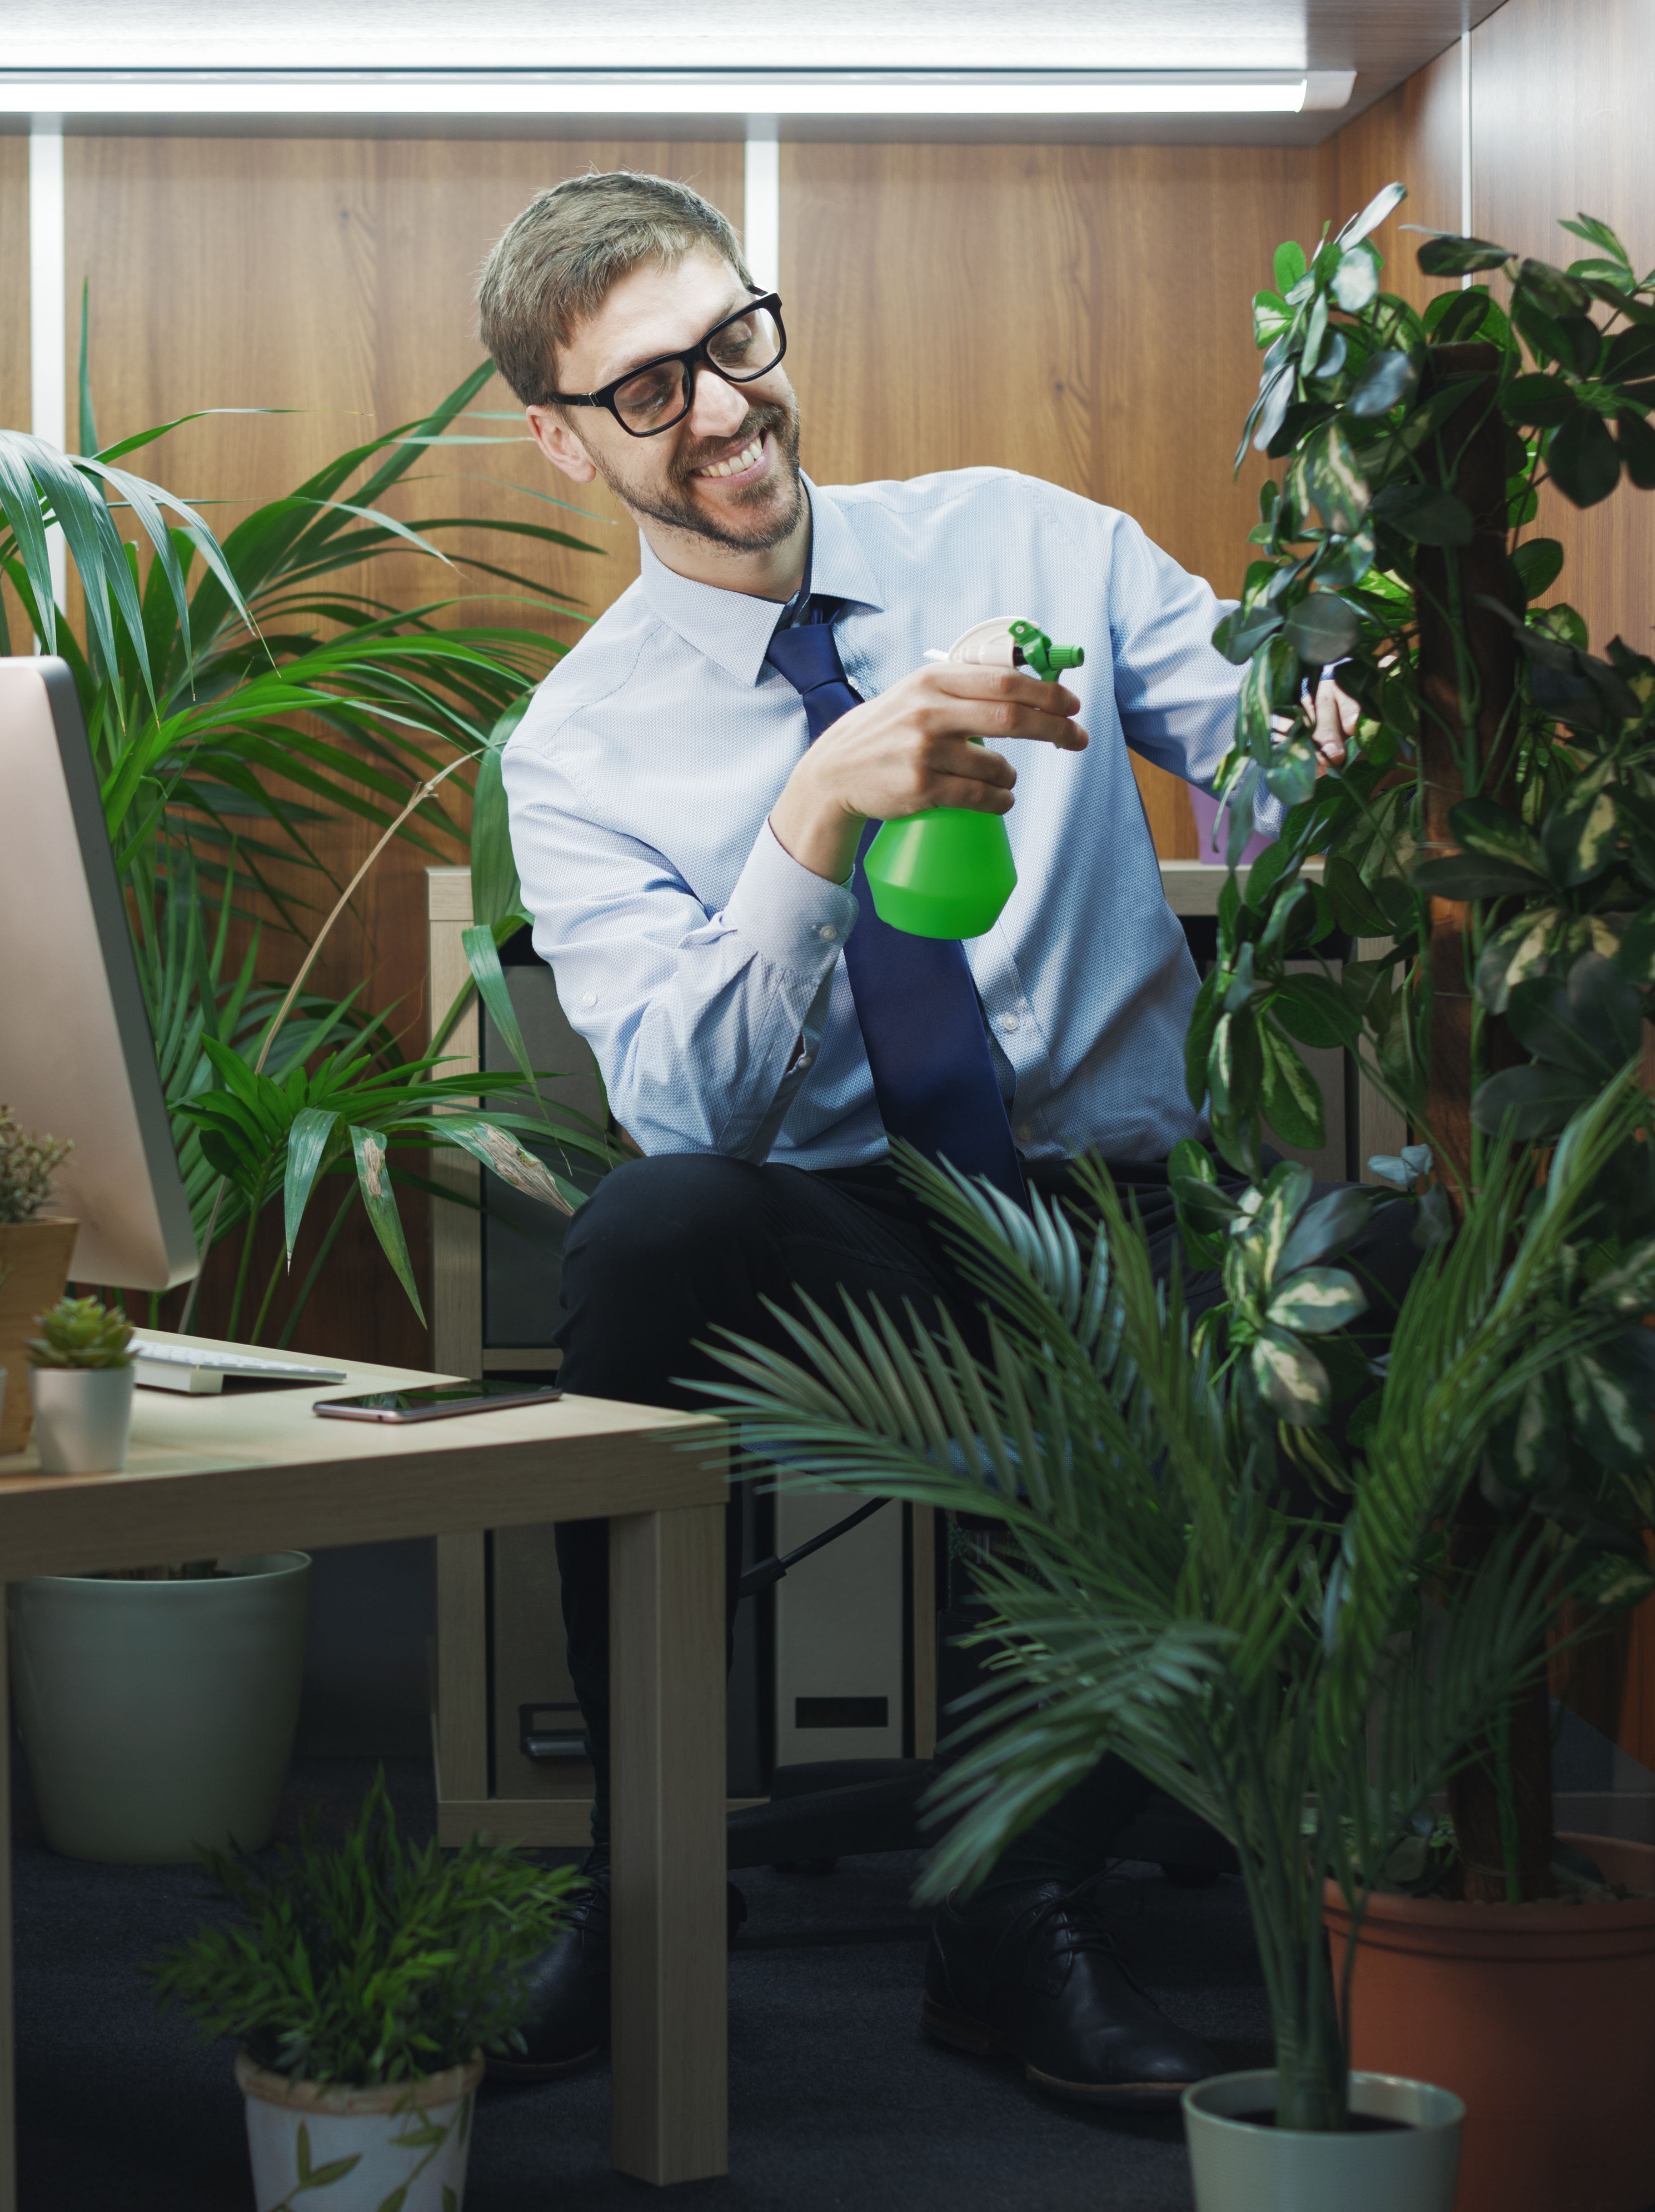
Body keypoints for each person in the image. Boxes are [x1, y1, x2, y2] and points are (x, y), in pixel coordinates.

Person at [473, 169, 1277, 2103]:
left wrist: (1334, 722)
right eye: (648, 389)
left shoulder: (1028, 540)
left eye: (732, 340)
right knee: (649, 1226)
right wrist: (811, 818)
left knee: (1339, 1297)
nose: (722, 408)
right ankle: (637, 1885)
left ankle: (1013, 1918)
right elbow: (688, 1108)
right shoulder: (577, 751)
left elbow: (1269, 744)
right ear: (564, 444)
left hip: (1118, 1207)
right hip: (854, 1247)